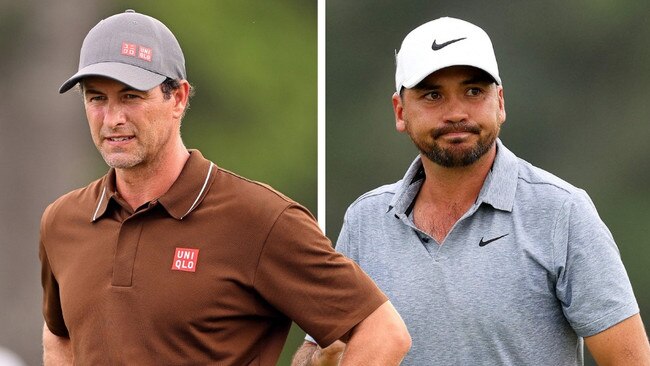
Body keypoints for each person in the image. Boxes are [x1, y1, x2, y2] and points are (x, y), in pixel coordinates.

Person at [39, 10, 411, 365]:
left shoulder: (261, 219)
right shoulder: (62, 222)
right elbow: (60, 335)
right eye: (96, 98)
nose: (113, 118)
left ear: (179, 98)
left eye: (131, 97)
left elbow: (382, 331)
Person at [293, 17, 650, 365]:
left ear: (500, 102)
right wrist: (322, 360)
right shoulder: (365, 220)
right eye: (433, 95)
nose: (456, 112)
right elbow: (316, 351)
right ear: (400, 112)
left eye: (474, 91)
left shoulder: (562, 211)